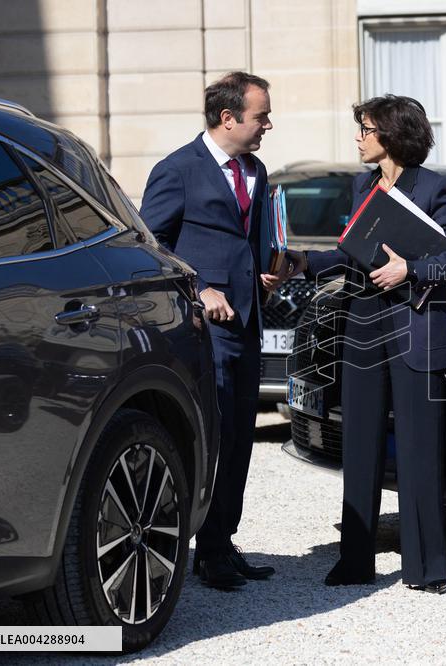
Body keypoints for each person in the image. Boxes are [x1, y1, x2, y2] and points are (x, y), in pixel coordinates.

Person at [287, 94, 446, 594]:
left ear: (390, 135)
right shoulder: (361, 185)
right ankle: (355, 563)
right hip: (364, 325)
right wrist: (304, 263)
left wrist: (409, 270)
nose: (358, 138)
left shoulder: (435, 188)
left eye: (365, 129)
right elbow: (354, 251)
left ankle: (426, 567)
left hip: (417, 327)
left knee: (419, 450)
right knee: (361, 445)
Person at [140, 71, 290, 589]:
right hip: (206, 328)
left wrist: (264, 273)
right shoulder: (177, 170)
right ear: (228, 118)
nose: (268, 124)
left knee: (241, 438)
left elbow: (247, 239)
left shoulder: (258, 170)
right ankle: (201, 548)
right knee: (213, 437)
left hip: (249, 321)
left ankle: (220, 545)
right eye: (261, 115)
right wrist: (201, 288)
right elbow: (150, 245)